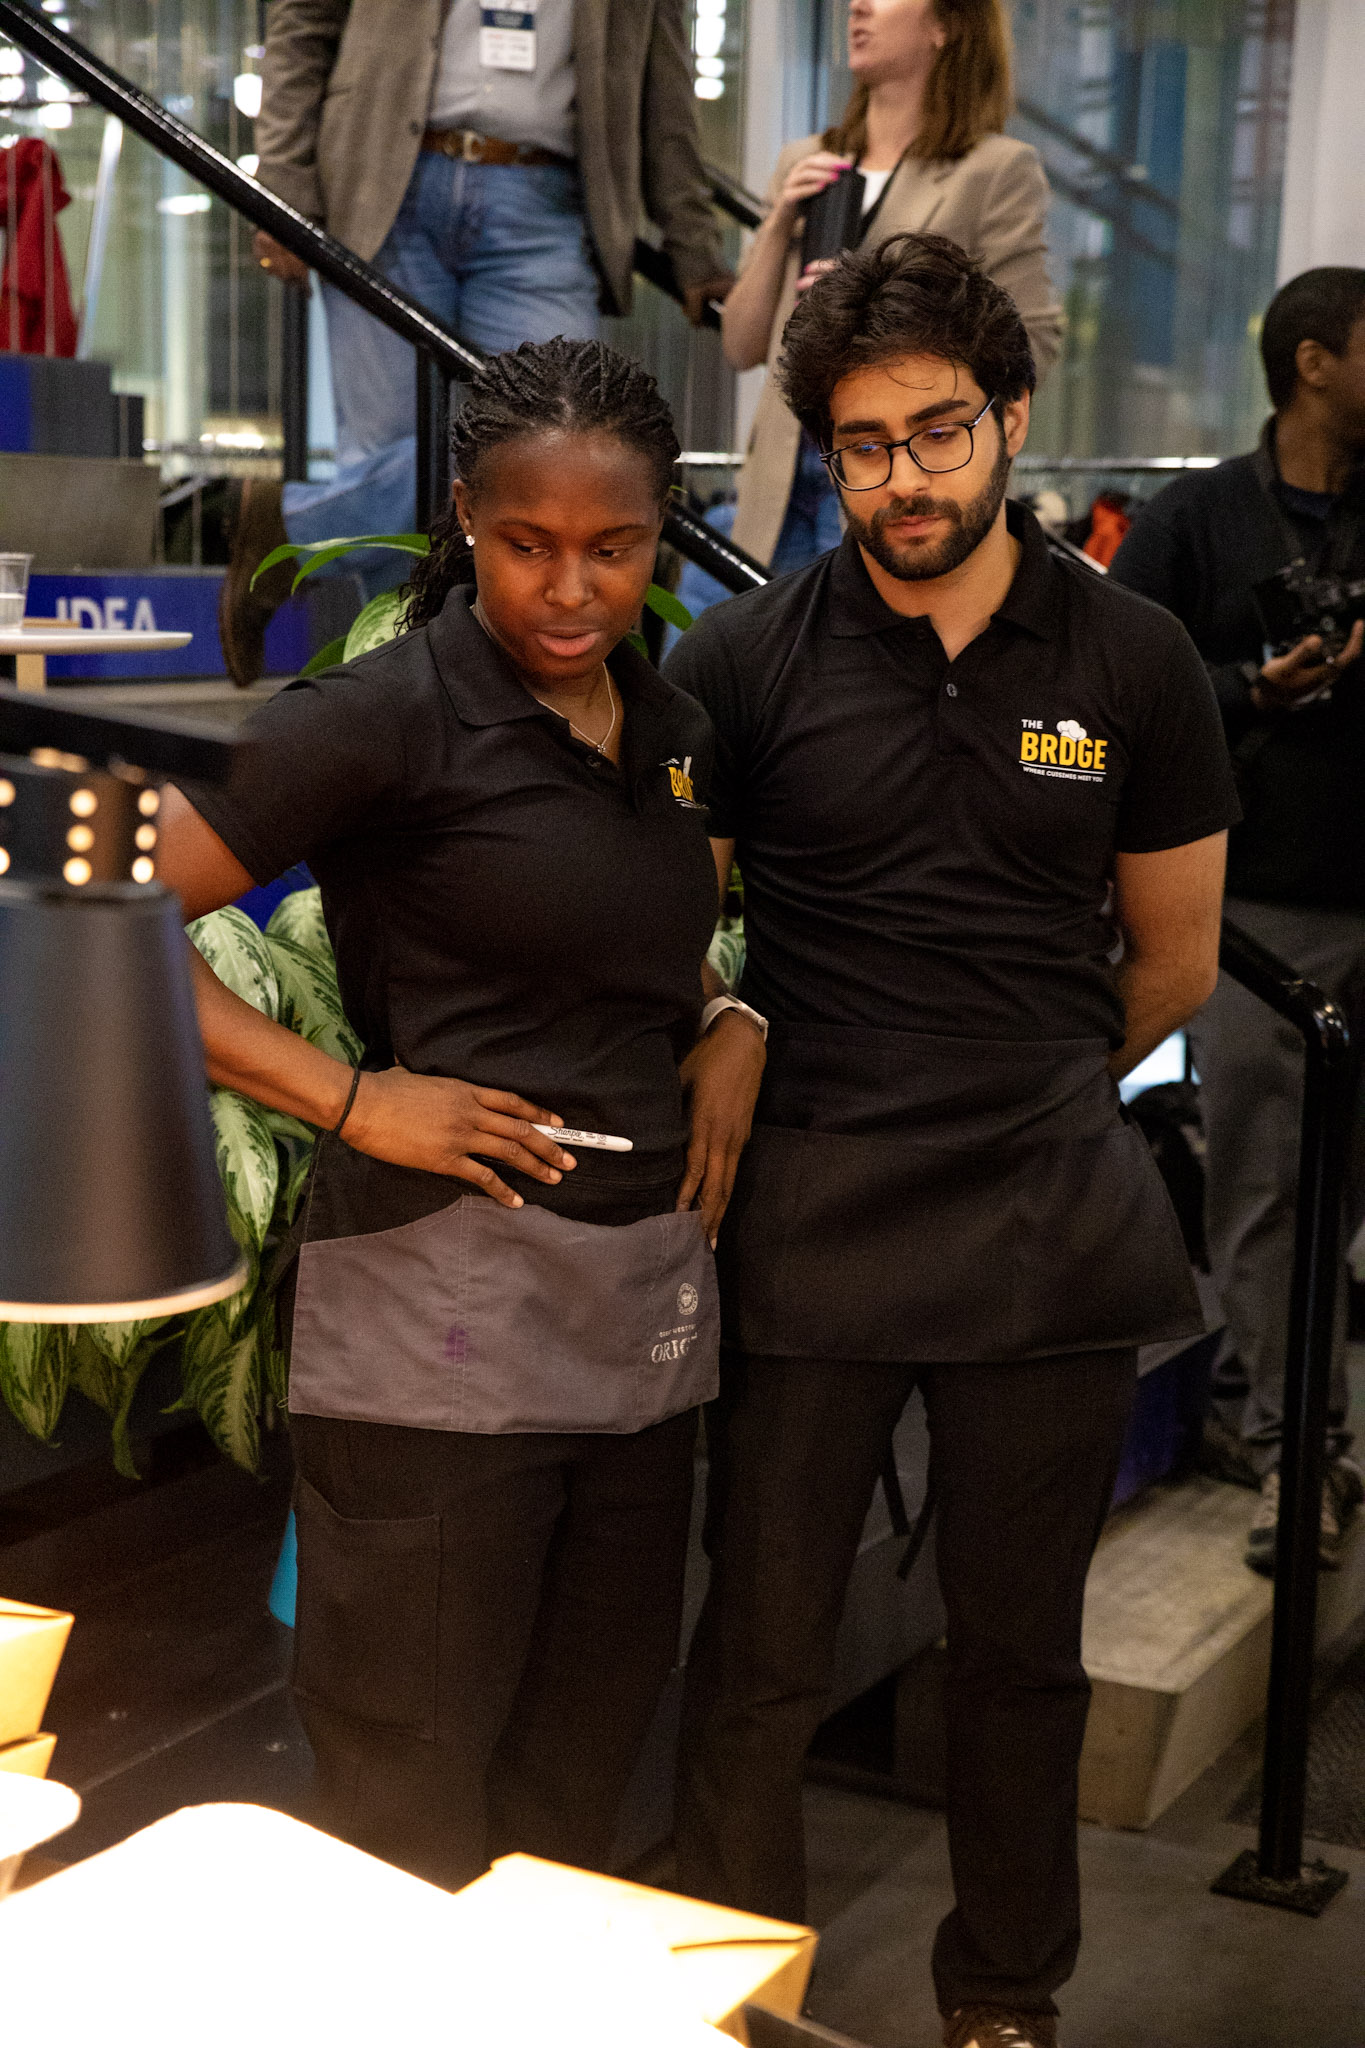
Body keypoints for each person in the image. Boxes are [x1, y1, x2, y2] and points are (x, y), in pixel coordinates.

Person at [663, 233, 1239, 2048]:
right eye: (862, 445)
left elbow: (1174, 962)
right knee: (757, 1659)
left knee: (1019, 1661)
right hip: (810, 1208)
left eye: (936, 431)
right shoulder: (744, 657)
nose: (902, 477)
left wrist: (1017, 1076)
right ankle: (734, 1995)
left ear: (1009, 417)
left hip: (1044, 1220)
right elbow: (663, 921)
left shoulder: (1136, 658)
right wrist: (734, 1019)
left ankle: (1003, 1999)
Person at [158, 338, 761, 1890]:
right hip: (435, 1336)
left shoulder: (677, 735)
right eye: (527, 543)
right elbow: (92, 911)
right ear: (465, 518)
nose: (570, 589)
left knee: (580, 1779)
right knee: (405, 1802)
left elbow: (630, 942)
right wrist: (353, 1099)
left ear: (663, 533)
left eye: (612, 548)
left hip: (633, 1331)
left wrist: (725, 1016)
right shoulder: (386, 713)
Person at [219, 0, 734, 684]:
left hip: (545, 203)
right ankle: (405, 708)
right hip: (384, 183)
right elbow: (305, 22)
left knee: (557, 446)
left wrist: (692, 244)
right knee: (392, 449)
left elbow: (664, 85)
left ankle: (289, 525)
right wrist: (282, 180)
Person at [1110, 267, 1365, 1575]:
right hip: (1259, 913)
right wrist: (1252, 687)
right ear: (1313, 361)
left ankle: (1289, 1417)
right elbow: (1118, 692)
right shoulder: (1199, 517)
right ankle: (1292, 1450)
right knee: (1265, 1191)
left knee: (1334, 1199)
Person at [718, 0, 1061, 577]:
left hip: (905, 478)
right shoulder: (805, 160)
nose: (857, 6)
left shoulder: (995, 170)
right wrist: (778, 225)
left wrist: (897, 304)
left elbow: (1033, 346)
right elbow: (740, 344)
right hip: (783, 480)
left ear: (945, 25)